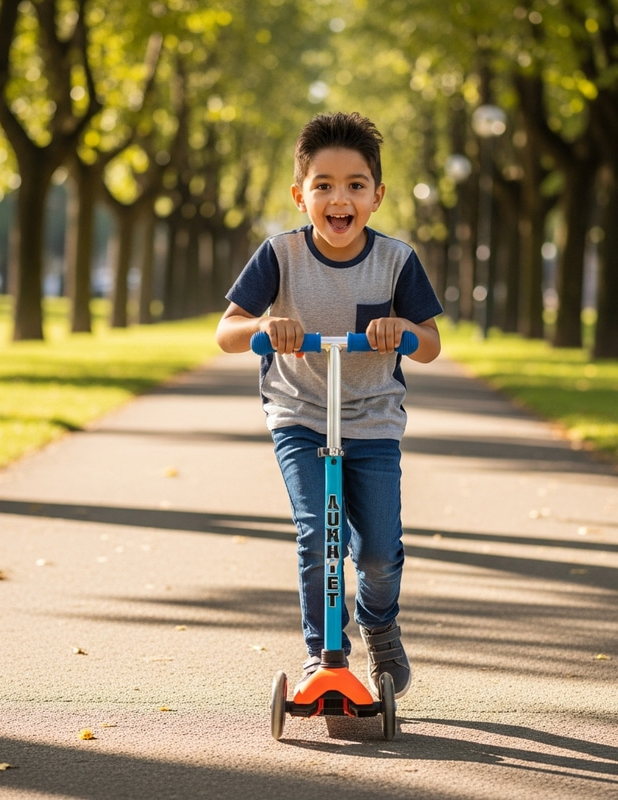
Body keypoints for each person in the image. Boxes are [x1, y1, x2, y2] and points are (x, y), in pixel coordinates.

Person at [215, 111, 442, 699]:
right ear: (300, 196)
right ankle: (325, 654)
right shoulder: (280, 255)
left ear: (377, 196)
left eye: (355, 186)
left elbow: (431, 345)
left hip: (372, 419)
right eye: (323, 186)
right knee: (319, 536)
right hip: (300, 413)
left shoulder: (396, 261)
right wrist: (265, 326)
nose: (339, 198)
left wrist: (402, 332)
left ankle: (381, 626)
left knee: (378, 554)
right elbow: (227, 331)